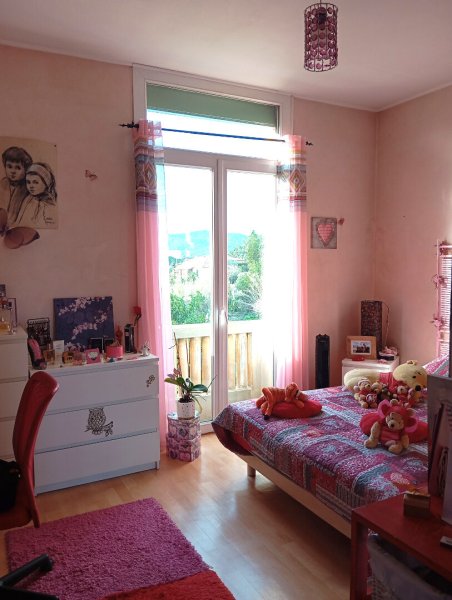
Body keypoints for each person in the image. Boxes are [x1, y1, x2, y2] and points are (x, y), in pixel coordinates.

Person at [15, 162, 58, 228]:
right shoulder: (28, 198)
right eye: (28, 182)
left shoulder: (49, 204)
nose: (31, 186)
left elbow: (51, 226)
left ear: (46, 183)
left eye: (35, 182)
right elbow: (19, 221)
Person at [0, 146, 33, 225]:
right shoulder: (2, 183)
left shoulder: (28, 188)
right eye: (9, 166)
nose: (13, 171)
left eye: (18, 168)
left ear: (26, 170)